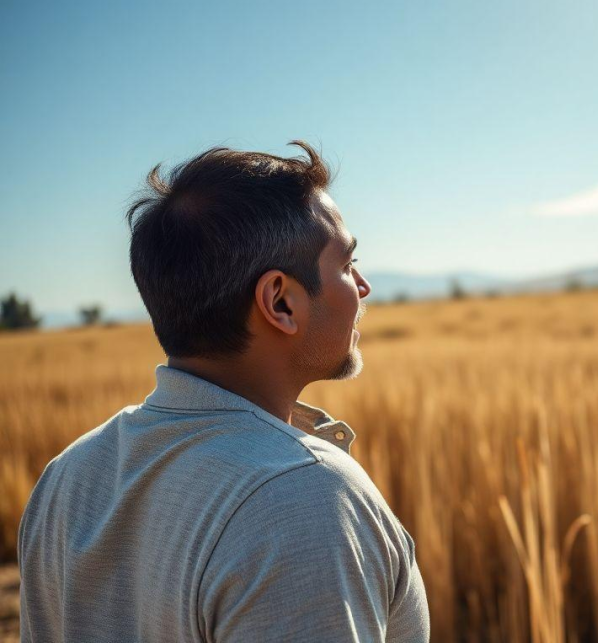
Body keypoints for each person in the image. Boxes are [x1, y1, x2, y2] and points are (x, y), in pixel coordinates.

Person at [17, 141, 430, 642]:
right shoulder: (301, 499)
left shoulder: (68, 474)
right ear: (280, 301)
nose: (362, 287)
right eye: (346, 264)